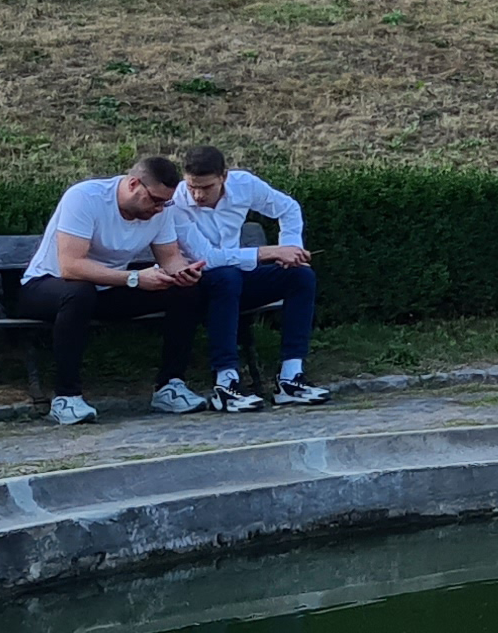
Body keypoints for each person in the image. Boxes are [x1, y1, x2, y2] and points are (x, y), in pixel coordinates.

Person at [18, 152, 204, 426]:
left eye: (166, 203)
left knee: (185, 291)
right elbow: (71, 267)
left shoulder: (161, 210)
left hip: (105, 290)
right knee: (79, 292)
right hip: (46, 286)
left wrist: (184, 272)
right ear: (132, 184)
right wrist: (134, 278)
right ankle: (66, 398)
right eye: (154, 200)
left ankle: (170, 386)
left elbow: (170, 258)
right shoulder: (85, 198)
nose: (159, 208)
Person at [165, 144, 327, 412]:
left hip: (237, 277)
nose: (198, 194)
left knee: (300, 276)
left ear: (224, 177)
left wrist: (291, 250)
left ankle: (291, 377)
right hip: (195, 284)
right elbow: (207, 258)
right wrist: (271, 252)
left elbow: (288, 209)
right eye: (192, 186)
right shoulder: (175, 204)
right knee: (226, 277)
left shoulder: (244, 185)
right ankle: (226, 383)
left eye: (207, 187)